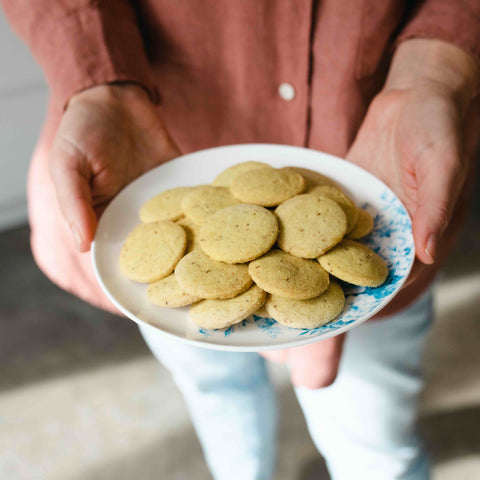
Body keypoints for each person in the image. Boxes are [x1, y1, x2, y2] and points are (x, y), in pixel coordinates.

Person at [3, 1, 480, 479]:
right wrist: (97, 78)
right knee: (217, 396)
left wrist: (433, 72)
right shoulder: (180, 235)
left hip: (383, 185)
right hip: (154, 148)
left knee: (374, 433)